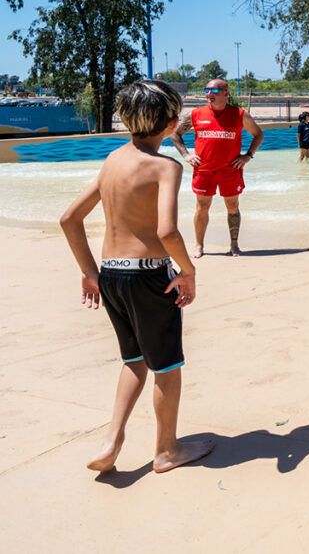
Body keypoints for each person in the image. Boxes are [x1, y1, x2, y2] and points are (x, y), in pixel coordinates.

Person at [59, 80, 213, 474]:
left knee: (133, 360)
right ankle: (166, 451)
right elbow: (166, 232)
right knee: (167, 365)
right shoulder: (165, 166)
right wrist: (188, 271)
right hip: (148, 277)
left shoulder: (113, 160)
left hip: (110, 274)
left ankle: (112, 441)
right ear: (173, 123)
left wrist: (89, 273)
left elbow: (69, 218)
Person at [170, 78, 263, 258]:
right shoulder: (195, 114)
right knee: (202, 206)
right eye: (206, 90)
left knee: (233, 206)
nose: (208, 94)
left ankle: (234, 245)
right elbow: (175, 133)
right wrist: (186, 155)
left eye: (213, 91)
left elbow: (258, 135)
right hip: (204, 170)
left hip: (230, 170)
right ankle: (199, 245)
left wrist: (248, 156)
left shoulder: (239, 114)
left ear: (226, 93)